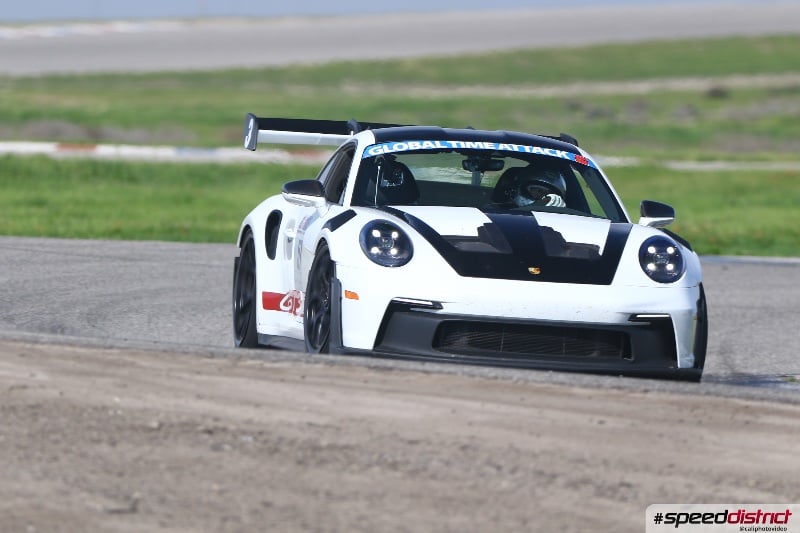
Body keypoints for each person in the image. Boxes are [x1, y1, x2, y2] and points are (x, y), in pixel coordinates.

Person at [493, 161, 568, 208]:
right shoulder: (494, 212)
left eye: (550, 194)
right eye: (538, 191)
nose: (544, 198)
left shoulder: (569, 221)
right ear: (517, 188)